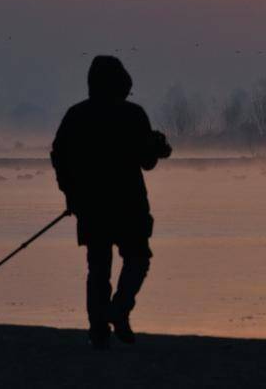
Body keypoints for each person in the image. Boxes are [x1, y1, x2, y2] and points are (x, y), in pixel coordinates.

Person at [51, 55, 172, 349]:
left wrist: (72, 195)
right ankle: (119, 311)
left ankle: (99, 328)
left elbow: (59, 158)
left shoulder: (76, 115)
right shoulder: (133, 115)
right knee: (138, 259)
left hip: (92, 207)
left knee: (99, 267)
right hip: (129, 203)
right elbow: (148, 162)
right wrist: (158, 146)